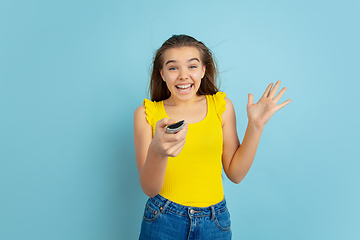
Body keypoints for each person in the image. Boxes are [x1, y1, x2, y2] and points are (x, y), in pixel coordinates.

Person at [133, 34, 291, 240]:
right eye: (173, 68)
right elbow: (149, 189)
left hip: (214, 222)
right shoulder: (147, 114)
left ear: (203, 70)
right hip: (163, 219)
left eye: (192, 66)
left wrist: (256, 126)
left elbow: (235, 174)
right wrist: (158, 151)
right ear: (162, 74)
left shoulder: (221, 107)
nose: (183, 75)